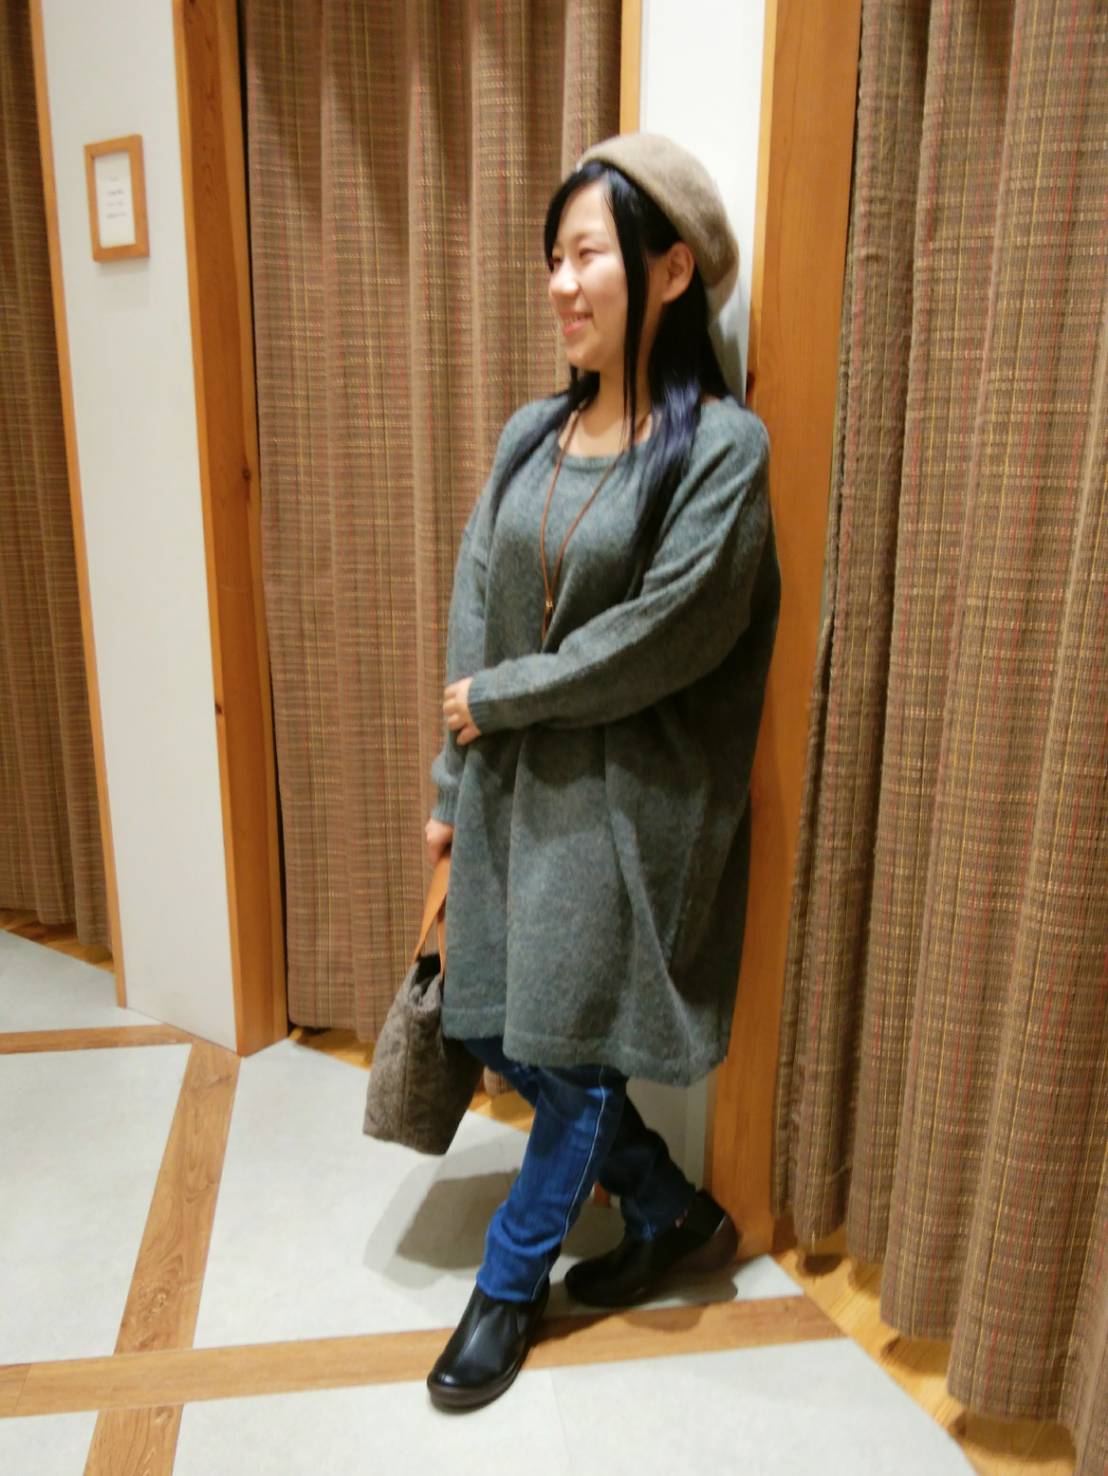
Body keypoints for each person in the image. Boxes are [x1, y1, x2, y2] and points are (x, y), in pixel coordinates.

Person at [421, 132, 781, 1412]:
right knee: (490, 1023)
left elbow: (657, 640)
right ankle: (667, 1206)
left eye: (586, 256)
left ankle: (508, 1284)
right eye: (553, 259)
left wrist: (499, 701)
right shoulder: (533, 434)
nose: (560, 284)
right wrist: (449, 789)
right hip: (514, 795)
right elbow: (475, 606)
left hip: (626, 812)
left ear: (669, 270)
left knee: (568, 1054)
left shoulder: (722, 451)